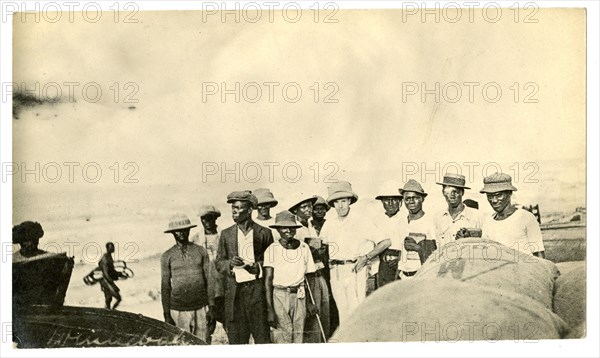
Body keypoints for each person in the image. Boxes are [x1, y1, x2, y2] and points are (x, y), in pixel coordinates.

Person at [319, 181, 389, 326]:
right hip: (335, 271)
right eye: (336, 202)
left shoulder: (361, 220)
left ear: (349, 201)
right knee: (342, 313)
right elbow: (322, 246)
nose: (340, 206)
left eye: (343, 201)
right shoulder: (329, 223)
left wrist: (366, 258)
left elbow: (385, 242)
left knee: (356, 312)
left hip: (354, 270)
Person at [215, 191, 273, 344]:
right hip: (235, 295)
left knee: (262, 339)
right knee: (237, 342)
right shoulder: (226, 234)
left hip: (256, 293)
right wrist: (230, 264)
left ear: (249, 211)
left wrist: (257, 268)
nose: (234, 211)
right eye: (233, 208)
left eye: (239, 208)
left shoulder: (264, 233)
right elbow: (219, 263)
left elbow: (271, 263)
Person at [264, 210, 318, 343]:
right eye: (284, 227)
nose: (288, 230)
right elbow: (267, 280)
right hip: (279, 295)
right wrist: (270, 309)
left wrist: (310, 302)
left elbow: (310, 276)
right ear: (278, 230)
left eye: (291, 227)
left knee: (298, 333)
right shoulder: (272, 249)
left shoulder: (304, 248)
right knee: (283, 334)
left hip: (299, 294)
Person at [161, 213, 213, 341]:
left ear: (189, 230)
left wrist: (211, 307)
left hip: (201, 307)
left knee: (202, 343)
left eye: (185, 230)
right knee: (182, 345)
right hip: (178, 309)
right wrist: (167, 314)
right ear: (173, 233)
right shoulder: (167, 256)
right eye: (177, 231)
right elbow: (165, 286)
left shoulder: (201, 251)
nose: (182, 233)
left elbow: (210, 281)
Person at [290, 195, 331, 342]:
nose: (308, 210)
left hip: (319, 273)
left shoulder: (310, 227)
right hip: (308, 277)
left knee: (324, 310)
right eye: (304, 207)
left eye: (309, 206)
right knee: (313, 313)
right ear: (296, 210)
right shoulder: (295, 229)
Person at [479, 173, 545, 257]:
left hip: (525, 269)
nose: (494, 200)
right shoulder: (488, 223)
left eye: (499, 195)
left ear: (509, 194)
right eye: (489, 196)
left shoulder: (525, 217)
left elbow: (539, 253)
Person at [195, 205, 226, 344]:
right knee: (207, 325)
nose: (207, 222)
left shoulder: (224, 237)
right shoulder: (195, 239)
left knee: (229, 323)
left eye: (210, 218)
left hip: (223, 289)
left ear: (215, 219)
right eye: (204, 219)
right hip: (205, 290)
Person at [397, 179, 436, 278]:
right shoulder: (401, 223)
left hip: (421, 276)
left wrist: (418, 247)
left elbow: (435, 253)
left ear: (422, 199)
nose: (411, 201)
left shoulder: (430, 222)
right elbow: (400, 252)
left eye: (415, 198)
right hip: (403, 276)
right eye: (407, 198)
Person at [433, 173, 482, 247]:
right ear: (443, 192)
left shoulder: (477, 216)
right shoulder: (437, 218)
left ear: (462, 192)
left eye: (456, 191)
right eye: (448, 192)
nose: (452, 195)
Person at [373, 182, 404, 288]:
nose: (390, 203)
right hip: (382, 264)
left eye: (394, 199)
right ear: (382, 202)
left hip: (401, 263)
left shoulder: (405, 219)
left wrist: (400, 260)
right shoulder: (377, 220)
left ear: (400, 201)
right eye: (387, 200)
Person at [98, 242, 126, 310]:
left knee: (109, 299)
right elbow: (105, 272)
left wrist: (119, 274)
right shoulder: (106, 258)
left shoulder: (109, 256)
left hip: (106, 281)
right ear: (108, 248)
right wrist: (110, 280)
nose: (113, 248)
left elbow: (111, 271)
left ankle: (110, 311)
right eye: (112, 247)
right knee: (117, 298)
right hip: (106, 281)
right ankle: (112, 310)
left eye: (113, 247)